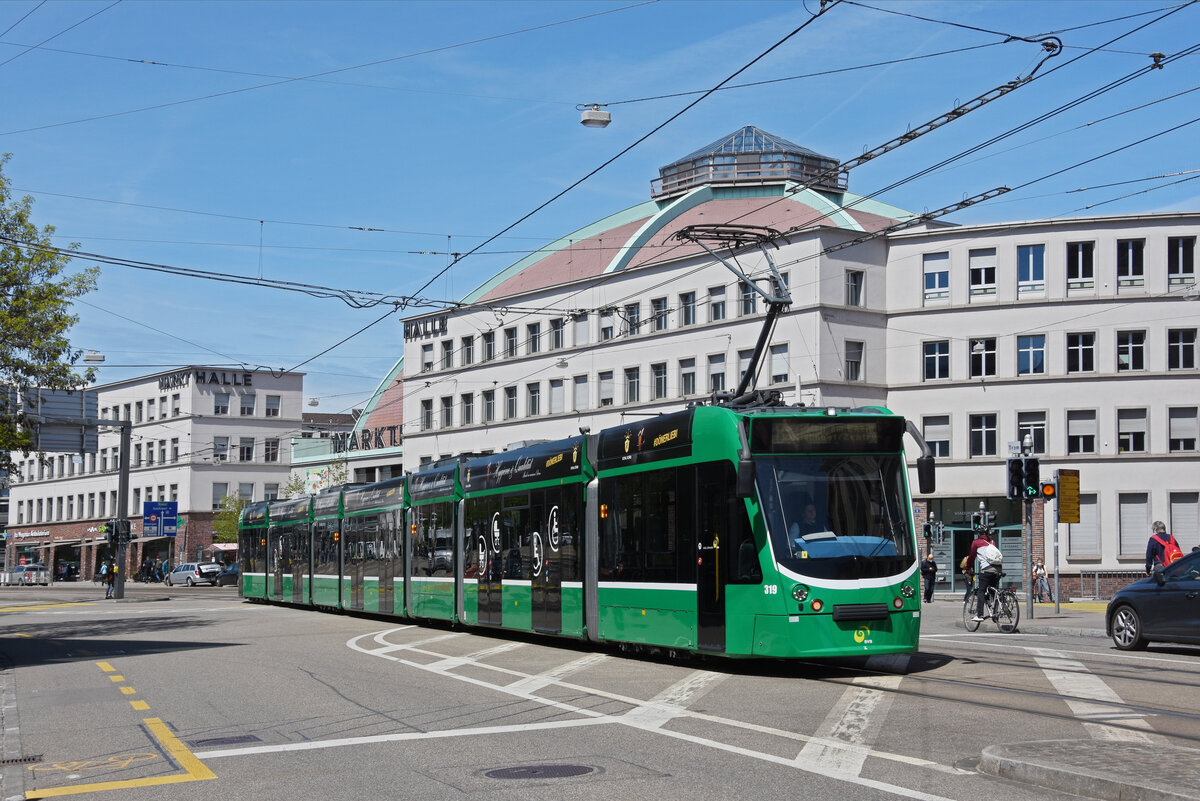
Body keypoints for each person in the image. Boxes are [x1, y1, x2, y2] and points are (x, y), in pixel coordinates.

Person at [967, 530, 1002, 622]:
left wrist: (968, 569)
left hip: (987, 569)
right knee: (994, 591)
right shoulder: (992, 542)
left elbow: (971, 557)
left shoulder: (976, 542)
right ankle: (996, 612)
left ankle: (980, 615)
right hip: (998, 569)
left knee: (981, 591)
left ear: (978, 534)